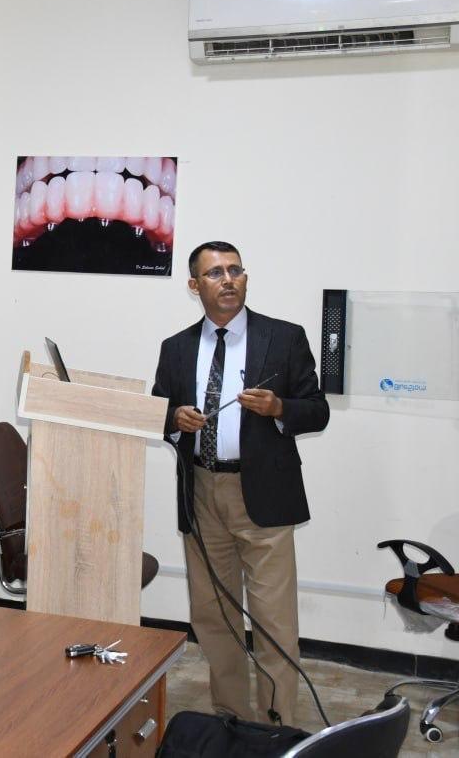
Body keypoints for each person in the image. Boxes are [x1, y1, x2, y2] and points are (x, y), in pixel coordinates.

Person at [152, 240, 329, 727]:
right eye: (215, 273)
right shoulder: (176, 347)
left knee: (273, 620)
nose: (228, 280)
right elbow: (158, 410)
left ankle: (277, 727)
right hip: (201, 493)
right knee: (214, 616)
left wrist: (279, 408)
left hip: (264, 495)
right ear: (195, 285)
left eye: (235, 270)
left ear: (245, 278)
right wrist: (175, 419)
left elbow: (317, 411)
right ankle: (230, 716)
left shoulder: (284, 337)